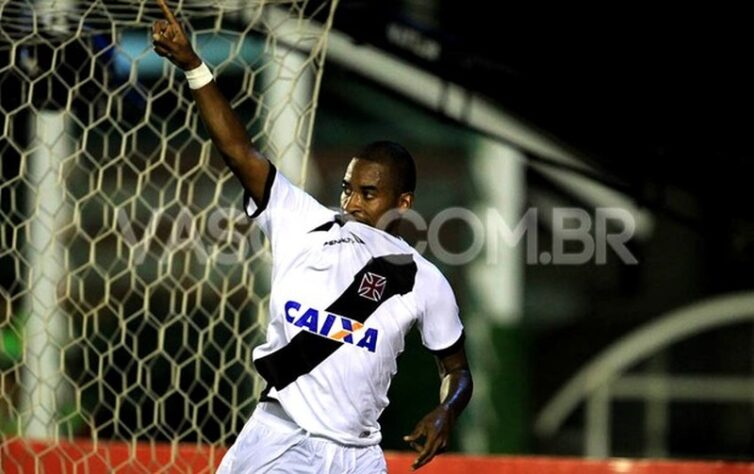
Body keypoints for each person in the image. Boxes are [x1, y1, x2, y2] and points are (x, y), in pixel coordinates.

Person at [152, 1, 472, 472]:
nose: (353, 202)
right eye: (347, 189)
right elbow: (239, 151)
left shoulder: (423, 279)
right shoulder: (303, 220)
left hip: (358, 455)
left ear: (404, 202)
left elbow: (457, 370)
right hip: (282, 439)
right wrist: (194, 67)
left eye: (369, 193)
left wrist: (447, 410)